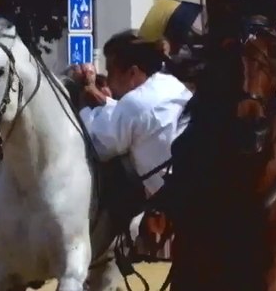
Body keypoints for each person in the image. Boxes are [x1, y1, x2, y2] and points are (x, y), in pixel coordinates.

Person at [76, 33, 191, 235]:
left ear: (132, 72)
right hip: (193, 186)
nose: (109, 80)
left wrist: (84, 106)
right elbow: (129, 116)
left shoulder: (135, 104)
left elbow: (99, 146)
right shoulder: (170, 84)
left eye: (111, 72)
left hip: (174, 202)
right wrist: (103, 100)